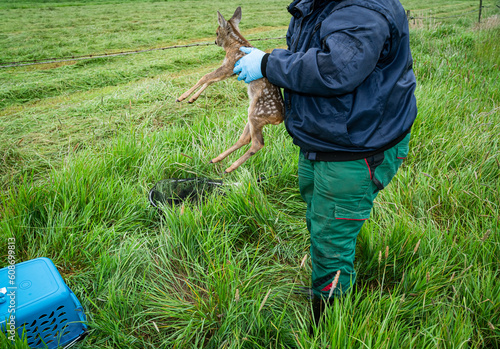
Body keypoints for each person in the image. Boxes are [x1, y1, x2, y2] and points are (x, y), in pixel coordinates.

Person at [233, 0, 417, 332]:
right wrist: (270, 61)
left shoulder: (363, 12)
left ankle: (328, 325)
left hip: (355, 148)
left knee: (332, 241)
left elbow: (336, 70)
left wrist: (270, 64)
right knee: (322, 220)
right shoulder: (319, 4)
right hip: (326, 139)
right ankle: (330, 276)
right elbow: (314, 51)